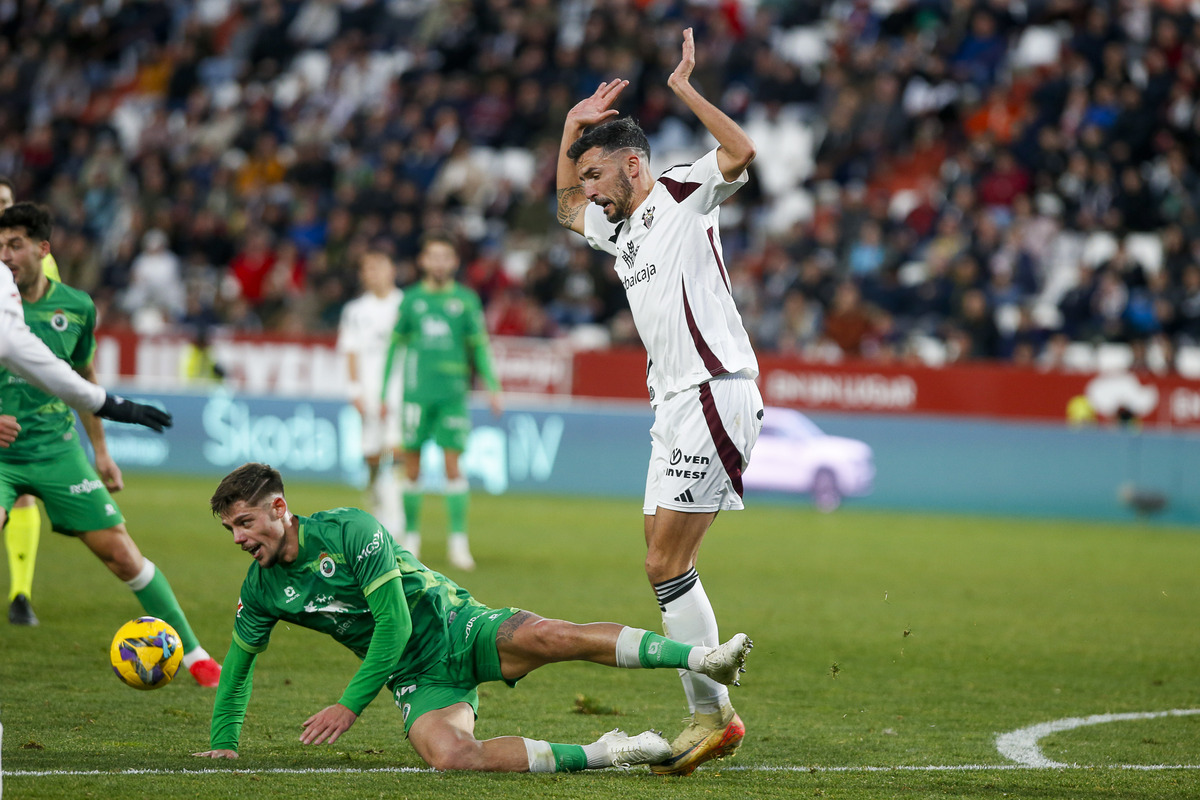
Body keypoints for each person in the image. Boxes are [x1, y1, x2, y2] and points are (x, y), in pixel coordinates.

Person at [192, 462, 753, 772]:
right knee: (452, 758)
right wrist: (224, 739)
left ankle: (708, 657)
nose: (239, 538)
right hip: (417, 678)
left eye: (245, 523)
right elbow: (238, 663)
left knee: (556, 637)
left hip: (460, 627)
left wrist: (348, 705)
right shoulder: (262, 588)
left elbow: (395, 627)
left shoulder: (351, 532)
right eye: (230, 530)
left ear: (279, 509)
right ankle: (610, 750)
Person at [555, 29, 764, 775]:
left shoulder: (681, 188)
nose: (588, 189)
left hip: (713, 390)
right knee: (663, 562)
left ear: (634, 164)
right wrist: (572, 131)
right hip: (673, 404)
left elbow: (741, 153)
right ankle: (712, 711)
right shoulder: (621, 230)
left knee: (664, 562)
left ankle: (712, 716)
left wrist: (682, 88)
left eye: (596, 174)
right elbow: (561, 210)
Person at [0, 203, 219, 685]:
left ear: (43, 248)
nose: (6, 255)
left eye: (15, 244)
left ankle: (196, 655)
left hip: (56, 450)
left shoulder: (76, 307)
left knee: (122, 554)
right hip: (0, 456)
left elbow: (81, 378)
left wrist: (100, 450)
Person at [381, 232, 502, 571]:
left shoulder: (465, 300)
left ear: (454, 262)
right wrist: (382, 393)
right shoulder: (411, 300)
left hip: (452, 396)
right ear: (422, 261)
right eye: (432, 256)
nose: (438, 263)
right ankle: (412, 539)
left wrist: (493, 385)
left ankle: (458, 544)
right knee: (412, 466)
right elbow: (394, 346)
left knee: (453, 466)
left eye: (444, 257)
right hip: (416, 395)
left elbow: (479, 345)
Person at [2, 178, 63, 625]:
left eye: (5, 203)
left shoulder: (40, 265)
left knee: (20, 492)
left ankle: (20, 594)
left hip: (15, 395)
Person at [337, 249, 405, 544]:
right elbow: (350, 350)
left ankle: (397, 518)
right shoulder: (355, 311)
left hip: (401, 391)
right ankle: (377, 501)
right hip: (369, 392)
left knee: (400, 451)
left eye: (378, 267)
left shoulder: (406, 304)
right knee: (373, 456)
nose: (372, 274)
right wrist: (354, 390)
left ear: (392, 270)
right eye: (368, 269)